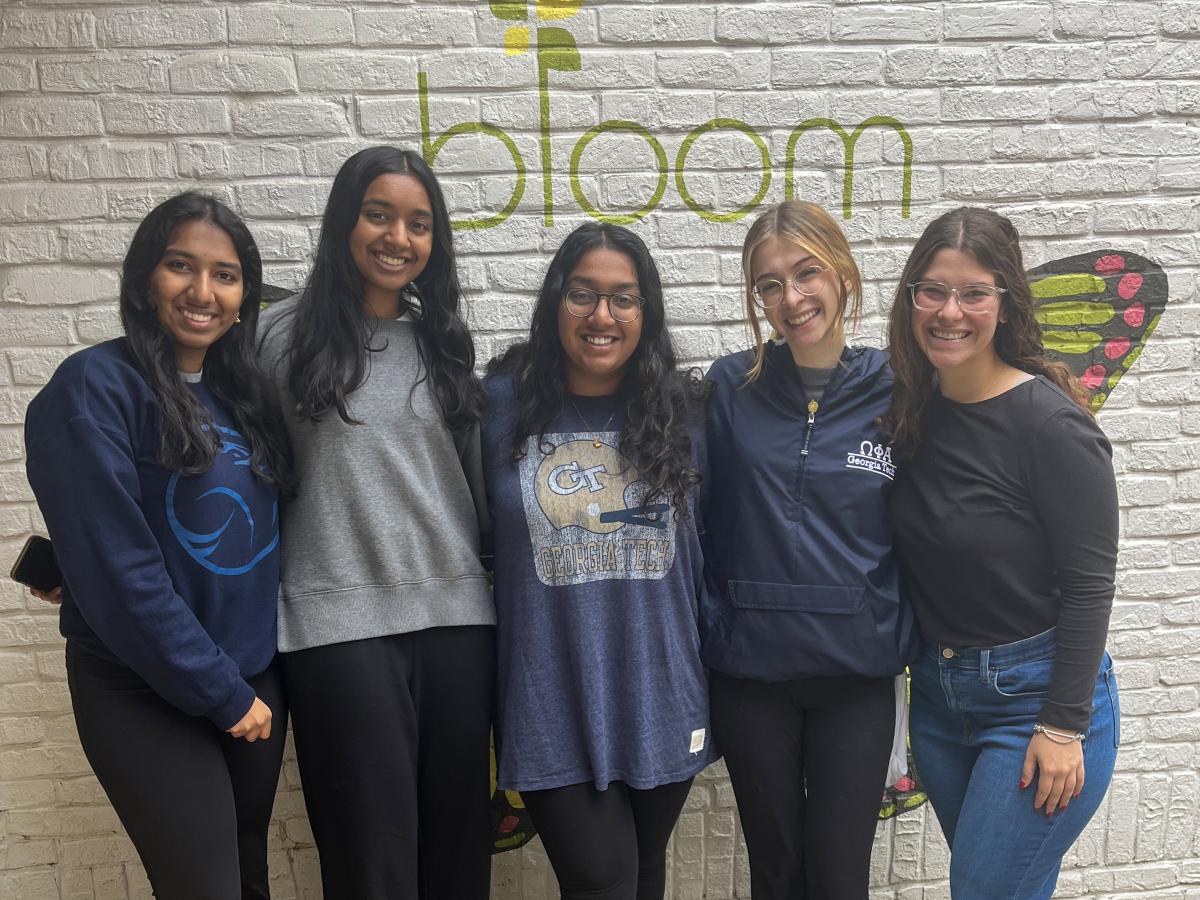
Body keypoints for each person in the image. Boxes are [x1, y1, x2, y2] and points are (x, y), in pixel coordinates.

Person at [24, 193, 292, 899]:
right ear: (147, 277)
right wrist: (221, 693)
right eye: (181, 266)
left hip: (250, 675)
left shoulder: (244, 394)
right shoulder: (93, 387)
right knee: (206, 886)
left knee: (248, 873)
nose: (203, 292)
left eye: (226, 274)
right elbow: (122, 571)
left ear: (245, 294)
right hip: (142, 685)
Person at [256, 145, 495, 899]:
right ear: (344, 221)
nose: (399, 237)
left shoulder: (445, 342)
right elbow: (214, 454)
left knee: (458, 854)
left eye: (419, 223)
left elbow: (477, 488)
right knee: (371, 862)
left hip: (457, 621)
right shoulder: (276, 336)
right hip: (336, 627)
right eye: (380, 215)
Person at [885, 207, 1119, 899]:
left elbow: (1089, 588)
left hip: (1034, 705)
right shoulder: (910, 411)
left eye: (973, 293)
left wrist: (1062, 725)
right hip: (936, 699)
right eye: (932, 290)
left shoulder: (1050, 426)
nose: (949, 311)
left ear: (1004, 303)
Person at [482, 222, 716, 900]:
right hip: (548, 698)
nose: (602, 316)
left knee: (641, 875)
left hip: (664, 695)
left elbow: (719, 544)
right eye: (583, 294)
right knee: (604, 880)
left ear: (648, 313)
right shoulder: (498, 409)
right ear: (556, 301)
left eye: (624, 298)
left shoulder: (687, 413)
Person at [700, 200, 920, 899]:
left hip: (855, 676)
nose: (790, 299)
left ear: (843, 272)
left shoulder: (901, 389)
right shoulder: (729, 388)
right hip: (751, 673)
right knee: (777, 870)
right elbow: (697, 516)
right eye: (769, 284)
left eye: (805, 273)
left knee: (836, 875)